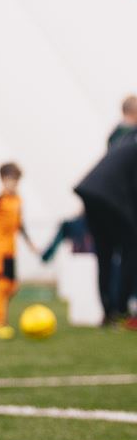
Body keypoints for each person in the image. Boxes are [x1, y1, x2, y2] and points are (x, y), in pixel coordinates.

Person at [73, 136, 137, 326]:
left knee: (104, 254)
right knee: (132, 249)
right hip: (110, 199)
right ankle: (122, 309)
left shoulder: (126, 143)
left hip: (91, 194)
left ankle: (109, 313)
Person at [0, 163, 37, 338]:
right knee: (2, 284)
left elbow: (20, 224)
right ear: (2, 180)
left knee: (13, 286)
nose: (13, 184)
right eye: (9, 180)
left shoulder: (18, 201)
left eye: (15, 180)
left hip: (11, 249)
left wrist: (29, 243)